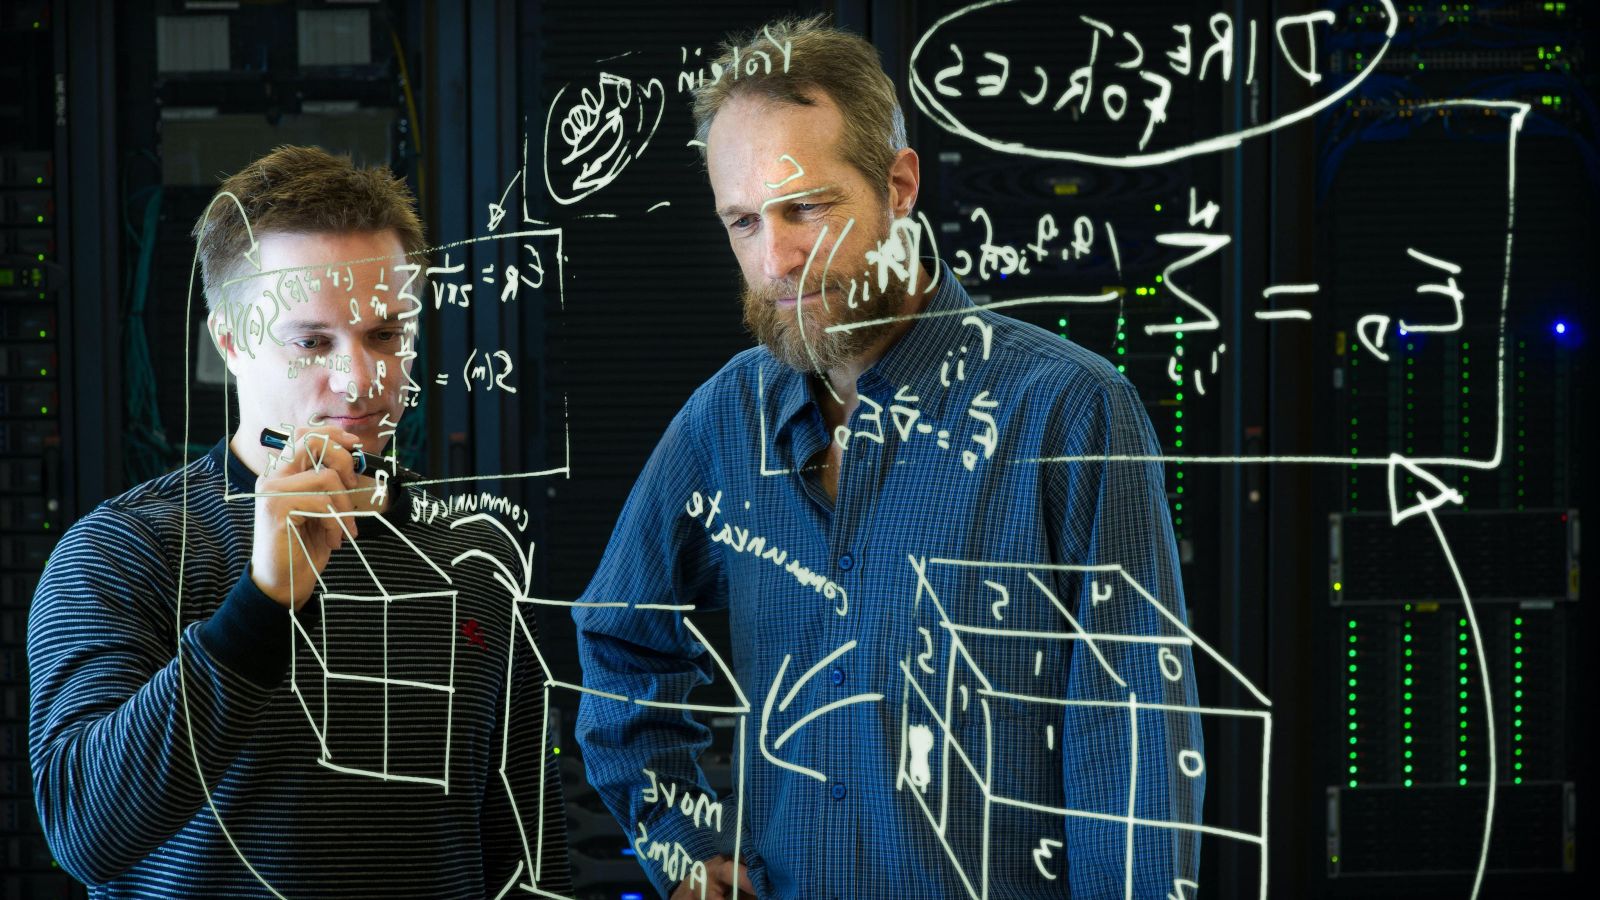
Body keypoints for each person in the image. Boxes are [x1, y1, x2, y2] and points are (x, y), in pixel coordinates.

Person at [573, 16, 1204, 900]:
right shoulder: (728, 415)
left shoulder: (1070, 409)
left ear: (899, 186)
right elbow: (618, 632)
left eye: (808, 207)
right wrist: (682, 846)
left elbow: (1130, 745)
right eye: (744, 221)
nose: (777, 258)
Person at [28, 146, 570, 898]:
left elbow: (527, 858)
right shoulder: (125, 552)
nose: (362, 380)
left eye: (386, 335)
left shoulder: (470, 559)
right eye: (312, 342)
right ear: (229, 341)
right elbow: (82, 831)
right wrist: (262, 603)